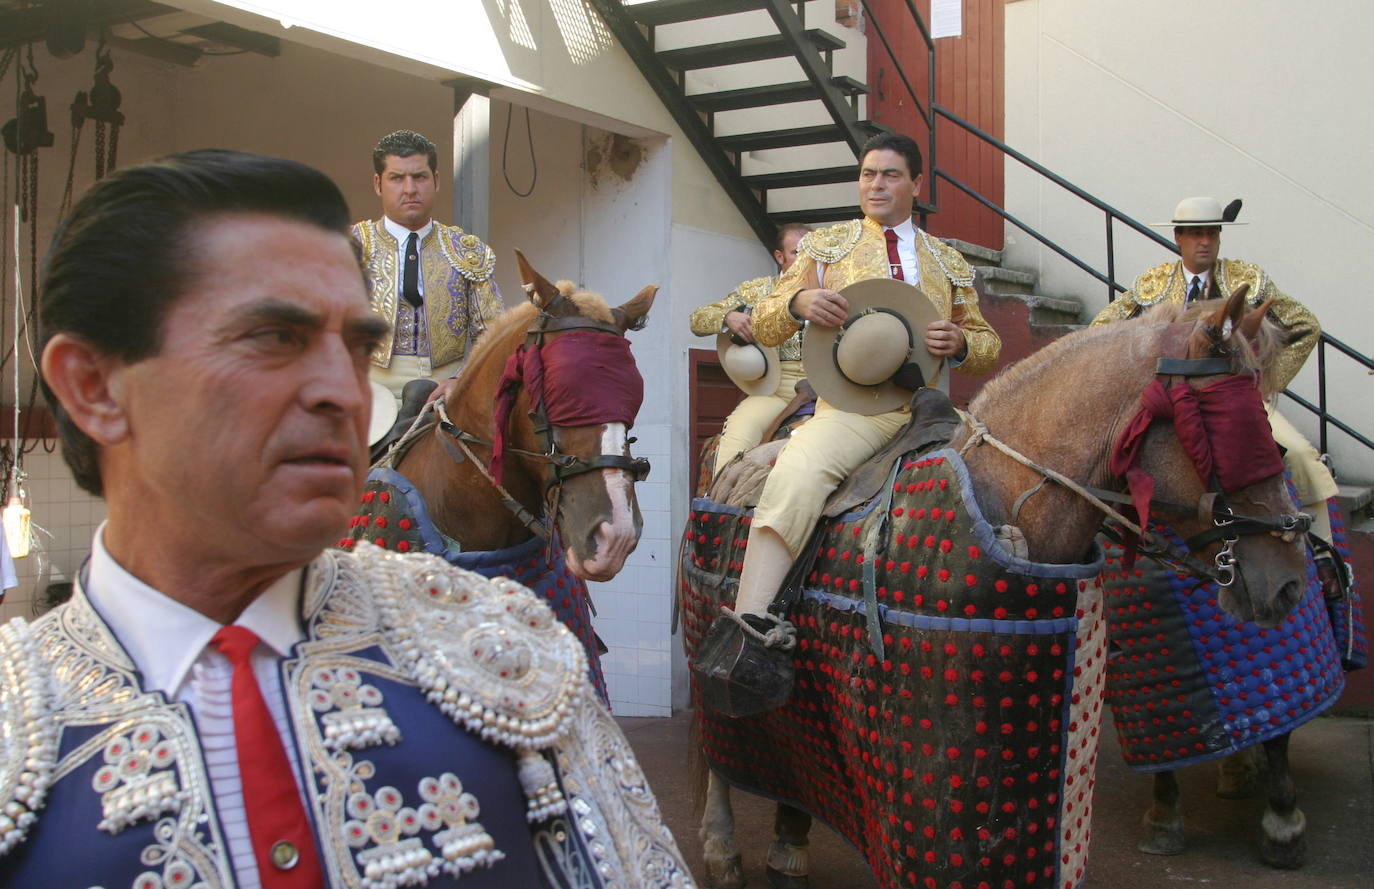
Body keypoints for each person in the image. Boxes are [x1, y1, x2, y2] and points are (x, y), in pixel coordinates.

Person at [0, 149, 692, 889]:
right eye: (275, 337)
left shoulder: (509, 652)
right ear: (94, 386)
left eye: (356, 346)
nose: (342, 389)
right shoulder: (20, 726)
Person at [732, 131, 1001, 619]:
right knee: (797, 475)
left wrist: (961, 344)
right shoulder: (826, 248)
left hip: (934, 410)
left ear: (916, 183)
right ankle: (750, 624)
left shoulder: (947, 260)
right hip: (853, 411)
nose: (876, 185)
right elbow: (768, 322)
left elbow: (986, 346)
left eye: (890, 175)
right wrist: (798, 302)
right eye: (867, 174)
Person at [1089, 196, 1338, 542]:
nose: (1204, 241)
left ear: (1220, 236)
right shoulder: (1153, 283)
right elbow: (1101, 330)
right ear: (1178, 238)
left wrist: (1261, 384)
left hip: (1235, 397)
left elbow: (1305, 326)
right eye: (1194, 233)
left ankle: (1324, 555)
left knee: (1298, 454)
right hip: (1173, 398)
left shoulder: (1246, 278)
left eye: (1211, 233)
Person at [353, 130, 503, 403]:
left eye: (419, 177)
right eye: (397, 178)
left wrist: (462, 379)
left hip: (446, 388)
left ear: (435, 180)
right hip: (367, 387)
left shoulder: (466, 249)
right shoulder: (350, 247)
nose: (409, 189)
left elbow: (494, 334)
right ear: (378, 184)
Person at [689, 223, 811, 472]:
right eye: (797, 252)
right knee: (738, 436)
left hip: (831, 388)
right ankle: (721, 504)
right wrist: (727, 317)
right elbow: (698, 319)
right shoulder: (758, 290)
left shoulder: (834, 287)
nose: (806, 259)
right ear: (780, 256)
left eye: (812, 252)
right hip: (775, 390)